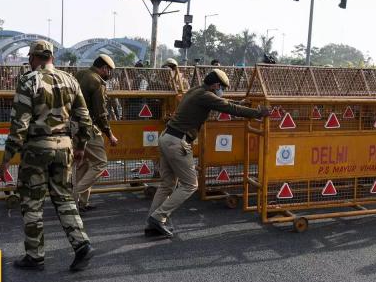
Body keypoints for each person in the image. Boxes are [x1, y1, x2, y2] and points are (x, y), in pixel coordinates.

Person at [0, 40, 94, 271]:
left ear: (33, 58)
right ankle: (82, 245)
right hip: (65, 148)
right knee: (64, 198)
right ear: (51, 57)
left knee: (32, 202)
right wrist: (80, 146)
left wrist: (6, 159)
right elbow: (84, 119)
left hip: (37, 149)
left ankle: (35, 256)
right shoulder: (70, 80)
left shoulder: (28, 81)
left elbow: (19, 124)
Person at [145, 69, 270, 238]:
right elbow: (228, 108)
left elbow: (223, 101)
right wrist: (257, 113)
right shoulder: (205, 96)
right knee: (190, 185)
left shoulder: (196, 90)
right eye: (222, 88)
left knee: (167, 183)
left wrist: (241, 102)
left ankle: (152, 224)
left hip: (166, 137)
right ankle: (159, 217)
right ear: (216, 85)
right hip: (177, 142)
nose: (222, 91)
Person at [74, 54, 119, 212]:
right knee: (100, 163)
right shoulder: (97, 82)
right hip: (87, 127)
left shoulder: (80, 74)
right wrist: (110, 134)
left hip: (72, 126)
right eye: (109, 70)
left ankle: (81, 203)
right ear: (104, 68)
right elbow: (101, 113)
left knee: (83, 165)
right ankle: (73, 197)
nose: (110, 74)